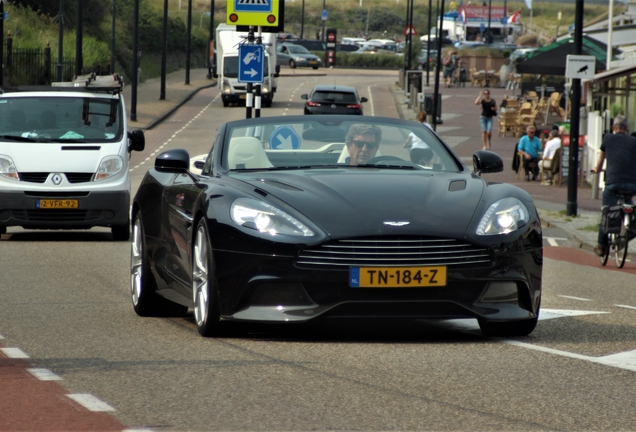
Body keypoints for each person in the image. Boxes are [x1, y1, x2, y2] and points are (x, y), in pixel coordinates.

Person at [590, 115, 636, 256]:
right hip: (631, 185)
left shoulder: (608, 138)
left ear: (613, 127)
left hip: (613, 183)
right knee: (629, 207)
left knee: (607, 211)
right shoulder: (634, 141)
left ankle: (602, 245)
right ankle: (629, 229)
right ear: (627, 128)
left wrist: (596, 170)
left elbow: (601, 158)